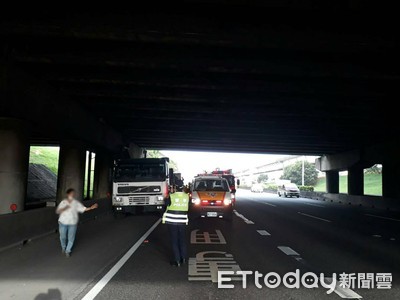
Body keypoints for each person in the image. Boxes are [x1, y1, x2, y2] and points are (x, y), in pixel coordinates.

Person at [56, 188, 98, 257]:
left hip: (72, 223)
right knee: (63, 236)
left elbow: (83, 209)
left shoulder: (76, 203)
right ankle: (63, 247)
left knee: (71, 237)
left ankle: (68, 250)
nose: (72, 195)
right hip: (63, 222)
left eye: (73, 194)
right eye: (71, 194)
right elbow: (59, 211)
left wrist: (91, 208)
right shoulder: (63, 202)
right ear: (67, 194)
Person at [162, 185, 189, 267]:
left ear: (175, 189)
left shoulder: (171, 196)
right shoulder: (187, 196)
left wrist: (166, 198)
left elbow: (165, 205)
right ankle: (183, 258)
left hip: (172, 221)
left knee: (174, 241)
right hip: (182, 221)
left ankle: (177, 261)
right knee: (182, 240)